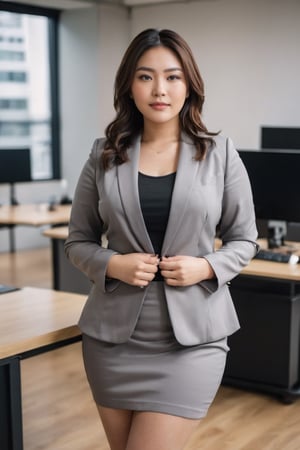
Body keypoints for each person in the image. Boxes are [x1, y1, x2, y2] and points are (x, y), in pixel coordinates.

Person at [65, 28, 258, 450]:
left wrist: (206, 265)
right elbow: (77, 240)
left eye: (172, 77)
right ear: (129, 86)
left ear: (188, 85)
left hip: (191, 341)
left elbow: (245, 240)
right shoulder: (103, 154)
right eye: (145, 76)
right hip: (111, 340)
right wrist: (112, 264)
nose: (160, 89)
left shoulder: (219, 153)